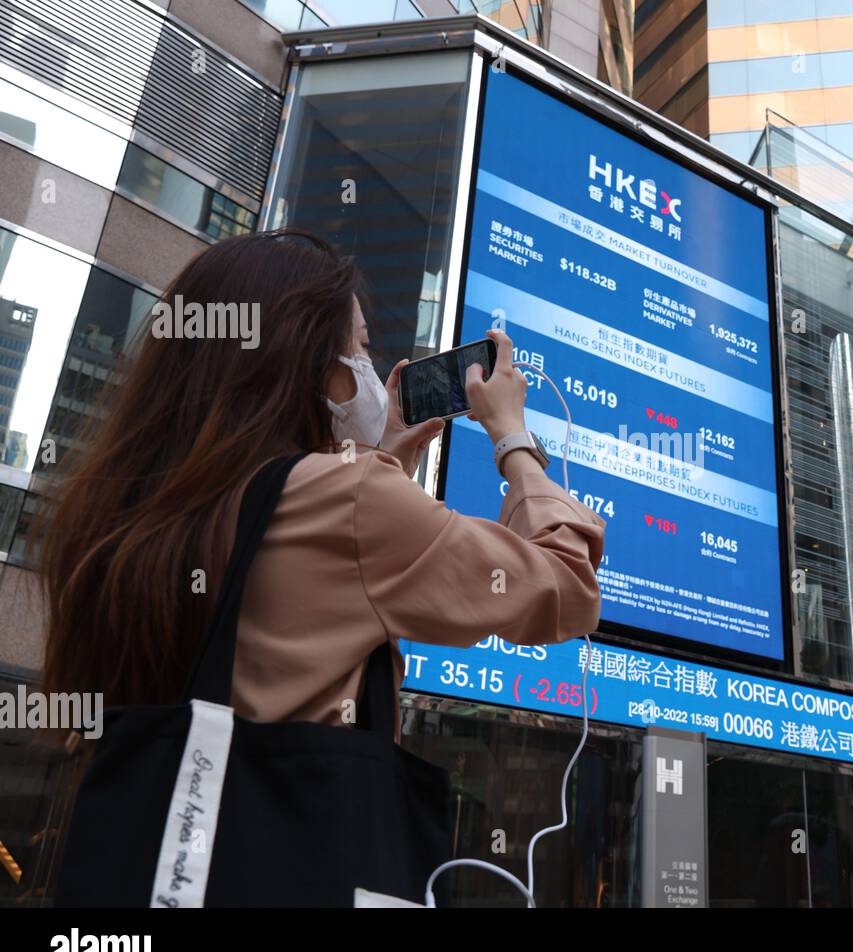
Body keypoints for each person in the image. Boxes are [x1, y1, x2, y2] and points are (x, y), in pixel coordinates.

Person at [38, 230, 605, 727]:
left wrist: (379, 458)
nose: (370, 367)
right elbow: (567, 587)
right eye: (360, 345)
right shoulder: (349, 501)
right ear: (309, 362)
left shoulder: (138, 504)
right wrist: (511, 436)